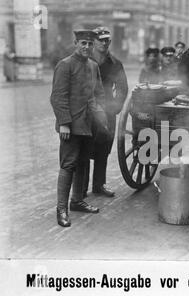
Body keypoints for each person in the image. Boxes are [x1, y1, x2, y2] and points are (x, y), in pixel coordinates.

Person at [50, 30, 104, 227]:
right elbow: (57, 97)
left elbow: (99, 94)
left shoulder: (93, 66)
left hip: (88, 124)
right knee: (68, 165)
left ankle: (77, 201)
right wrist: (64, 122)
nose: (86, 47)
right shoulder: (65, 65)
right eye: (83, 43)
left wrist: (100, 116)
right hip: (71, 126)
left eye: (90, 44)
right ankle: (61, 209)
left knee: (83, 163)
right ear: (75, 43)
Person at [82, 27, 128, 198]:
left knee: (103, 149)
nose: (103, 42)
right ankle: (81, 189)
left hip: (107, 111)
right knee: (84, 149)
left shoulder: (115, 63)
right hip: (86, 111)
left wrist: (115, 107)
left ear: (109, 42)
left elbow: (122, 88)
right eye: (100, 39)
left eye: (106, 40)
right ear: (93, 41)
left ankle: (99, 185)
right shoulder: (84, 60)